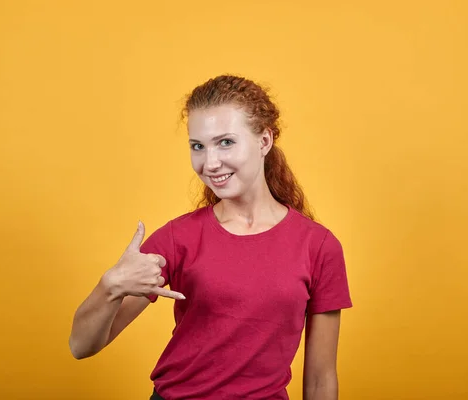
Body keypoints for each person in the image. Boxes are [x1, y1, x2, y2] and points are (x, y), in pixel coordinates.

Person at [68, 75, 353, 400]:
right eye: (198, 146)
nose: (210, 163)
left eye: (226, 142)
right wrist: (112, 285)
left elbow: (320, 379)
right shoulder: (178, 238)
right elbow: (81, 346)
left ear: (264, 141)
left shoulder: (319, 247)